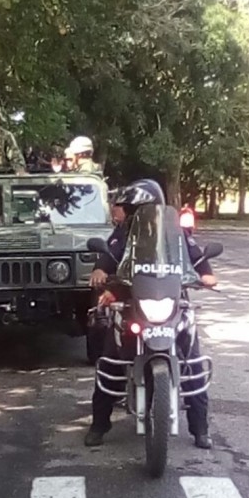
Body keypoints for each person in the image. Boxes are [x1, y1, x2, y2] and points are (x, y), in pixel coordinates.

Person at [84, 179, 217, 450]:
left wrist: (205, 273)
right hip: (134, 304)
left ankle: (200, 428)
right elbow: (110, 255)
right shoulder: (124, 233)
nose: (117, 210)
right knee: (111, 360)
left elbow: (192, 253)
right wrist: (100, 270)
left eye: (123, 206)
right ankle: (99, 424)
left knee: (192, 361)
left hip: (172, 302)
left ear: (140, 206)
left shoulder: (174, 232)